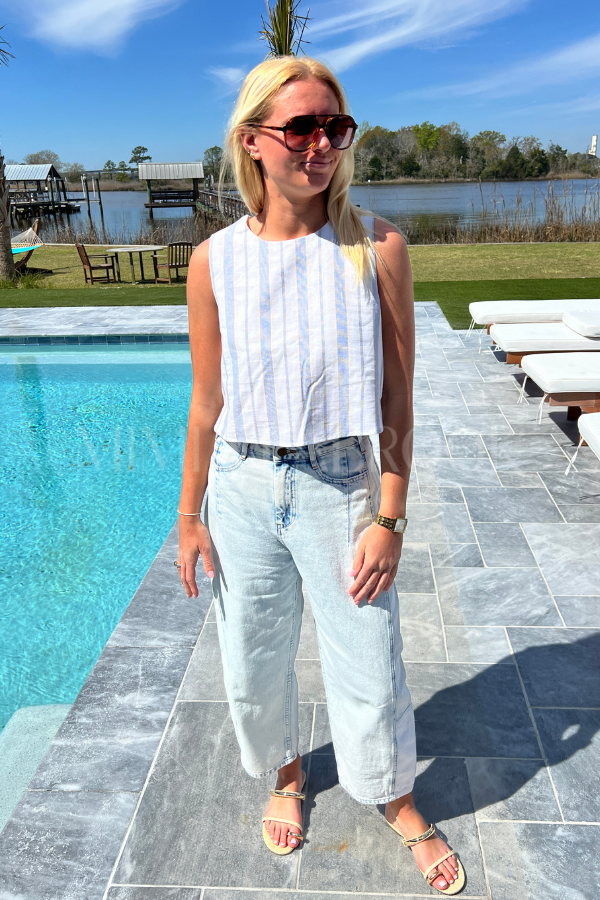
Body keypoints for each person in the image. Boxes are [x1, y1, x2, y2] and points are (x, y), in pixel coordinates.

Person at [175, 55, 465, 895]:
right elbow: (205, 401)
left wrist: (392, 514)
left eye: (335, 127)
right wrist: (189, 514)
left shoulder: (377, 247)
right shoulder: (214, 261)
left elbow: (398, 397)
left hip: (340, 486)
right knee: (252, 658)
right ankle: (286, 773)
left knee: (369, 661)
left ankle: (394, 795)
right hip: (240, 486)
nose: (321, 144)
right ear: (252, 140)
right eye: (300, 127)